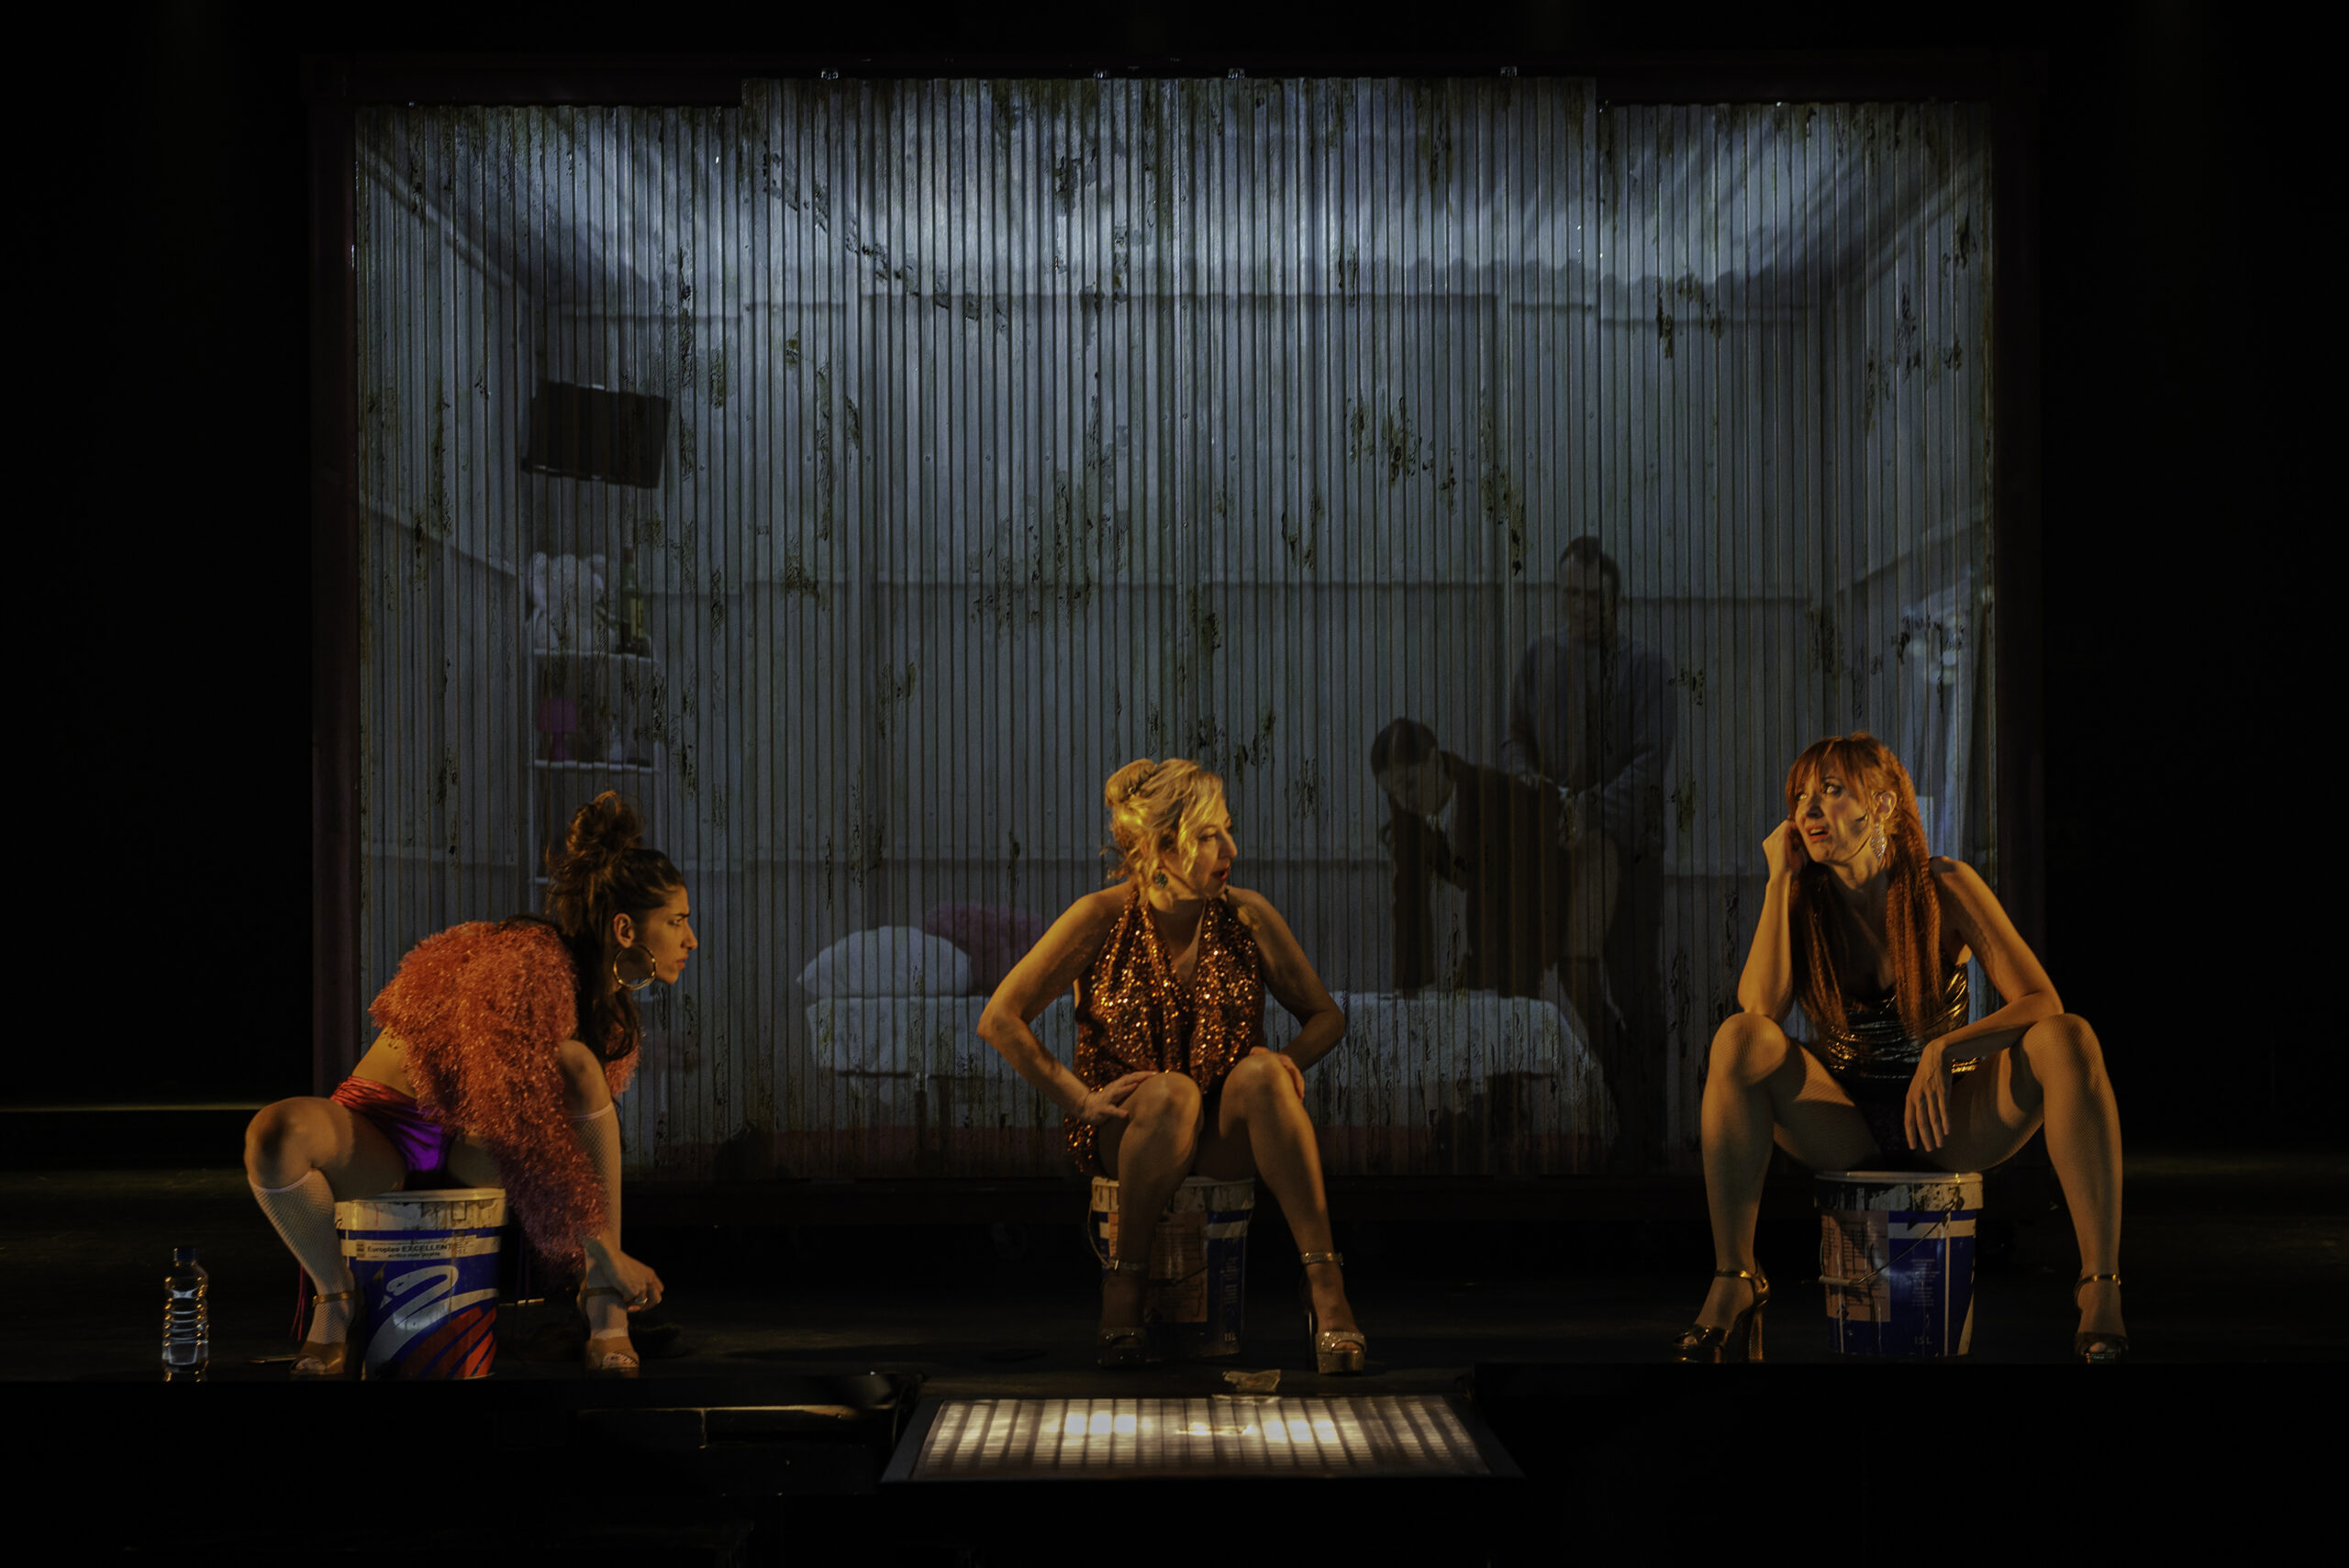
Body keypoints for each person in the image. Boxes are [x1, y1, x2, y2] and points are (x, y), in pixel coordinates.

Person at [1677, 733, 2128, 1363]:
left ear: (1883, 805)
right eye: (1800, 796)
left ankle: (2099, 1286)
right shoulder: (1803, 900)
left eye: (1831, 791)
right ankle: (1736, 1276)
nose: (1809, 809)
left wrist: (1944, 1050)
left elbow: (2040, 1001)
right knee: (1738, 1038)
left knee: (2069, 1036)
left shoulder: (1942, 884)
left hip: (1948, 1120)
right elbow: (1760, 1011)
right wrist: (1780, 879)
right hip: (1844, 1123)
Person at [244, 793, 695, 1378]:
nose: (690, 940)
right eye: (677, 921)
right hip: (378, 1132)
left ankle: (605, 1311)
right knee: (275, 1132)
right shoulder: (530, 959)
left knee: (577, 1066)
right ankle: (335, 1300)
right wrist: (608, 1248)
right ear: (626, 928)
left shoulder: (611, 1024)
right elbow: (517, 1115)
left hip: (471, 1152)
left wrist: (598, 1255)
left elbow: (561, 1151)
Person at [977, 759, 1365, 1372]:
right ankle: (1124, 1283)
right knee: (1172, 1094)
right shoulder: (1101, 917)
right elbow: (1000, 1018)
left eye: (1228, 830)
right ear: (1162, 846)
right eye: (1209, 835)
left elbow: (1326, 1017)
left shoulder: (1246, 916)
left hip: (1220, 1134)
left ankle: (1326, 1285)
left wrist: (1285, 1060)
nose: (1230, 849)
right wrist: (1080, 1099)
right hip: (1134, 1130)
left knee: (1263, 1076)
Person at [1502, 535, 1675, 1162]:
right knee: (1573, 970)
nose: (1578, 606)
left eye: (1590, 596)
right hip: (1561, 845)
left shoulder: (1646, 667)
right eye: (1569, 593)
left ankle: (1647, 1130)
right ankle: (1632, 1100)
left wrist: (1588, 808)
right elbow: (1514, 740)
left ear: (1613, 599)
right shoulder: (1538, 658)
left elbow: (1650, 761)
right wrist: (1539, 793)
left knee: (1632, 985)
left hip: (1626, 850)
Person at [1372, 717, 1559, 995]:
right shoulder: (1407, 805)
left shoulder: (1490, 795)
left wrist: (1483, 972)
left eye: (1409, 785)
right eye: (1392, 793)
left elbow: (1504, 896)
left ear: (1436, 761)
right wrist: (1410, 988)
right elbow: (1409, 896)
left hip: (1553, 872)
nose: (1403, 801)